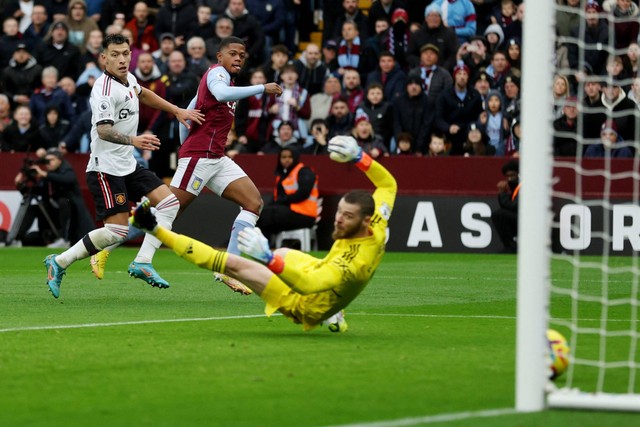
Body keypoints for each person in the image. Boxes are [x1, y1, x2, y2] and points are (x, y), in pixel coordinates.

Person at [128, 135, 397, 332]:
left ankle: (155, 230)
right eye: (340, 211)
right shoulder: (376, 219)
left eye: (347, 217)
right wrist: (361, 158)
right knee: (284, 253)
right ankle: (335, 310)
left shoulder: (355, 264)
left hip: (303, 303)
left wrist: (269, 260)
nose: (338, 220)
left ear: (363, 223)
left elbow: (308, 286)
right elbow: (388, 184)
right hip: (322, 269)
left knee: (231, 263)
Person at [91, 36, 282, 285]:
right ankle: (106, 249)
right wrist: (261, 88)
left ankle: (230, 267)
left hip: (216, 157)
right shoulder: (217, 75)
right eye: (232, 53)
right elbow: (222, 93)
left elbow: (190, 111)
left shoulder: (222, 80)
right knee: (168, 209)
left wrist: (185, 141)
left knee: (253, 203)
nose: (237, 58)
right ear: (219, 57)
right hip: (200, 157)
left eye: (242, 55)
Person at [44, 33, 205, 299]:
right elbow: (104, 130)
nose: (122, 59)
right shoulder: (103, 90)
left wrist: (176, 110)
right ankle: (59, 262)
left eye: (126, 53)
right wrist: (135, 140)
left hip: (127, 164)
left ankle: (142, 261)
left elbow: (144, 94)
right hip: (104, 169)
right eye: (115, 55)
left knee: (169, 203)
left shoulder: (128, 79)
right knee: (115, 232)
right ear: (103, 58)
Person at [29, 148, 95, 247]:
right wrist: (21, 182)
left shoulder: (66, 169)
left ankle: (65, 239)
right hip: (55, 210)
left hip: (72, 211)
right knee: (34, 208)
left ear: (59, 160)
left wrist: (45, 174)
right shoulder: (49, 174)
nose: (48, 163)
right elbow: (37, 191)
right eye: (46, 161)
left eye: (51, 160)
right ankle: (14, 239)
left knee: (64, 202)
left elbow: (68, 179)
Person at [256, 146, 319, 244]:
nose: (286, 160)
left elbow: (303, 194)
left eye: (289, 157)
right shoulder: (282, 176)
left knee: (267, 215)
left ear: (295, 157)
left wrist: (282, 200)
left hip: (304, 215)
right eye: (283, 157)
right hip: (289, 212)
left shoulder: (304, 171)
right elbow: (277, 198)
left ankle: (263, 248)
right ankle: (264, 247)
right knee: (261, 215)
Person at [491, 159, 519, 253]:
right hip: (519, 218)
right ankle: (510, 245)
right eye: (507, 176)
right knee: (499, 215)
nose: (510, 179)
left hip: (528, 219)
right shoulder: (511, 186)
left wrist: (502, 194)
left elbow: (514, 206)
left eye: (512, 175)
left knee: (499, 215)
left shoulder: (524, 186)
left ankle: (511, 247)